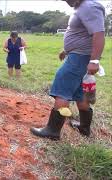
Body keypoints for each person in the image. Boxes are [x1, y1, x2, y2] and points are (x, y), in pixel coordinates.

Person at [30, 0, 105, 140]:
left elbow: (99, 34)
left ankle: (52, 131)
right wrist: (67, 49)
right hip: (77, 55)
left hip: (80, 57)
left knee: (62, 86)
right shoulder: (82, 7)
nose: (66, 1)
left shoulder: (89, 6)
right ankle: (84, 127)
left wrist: (95, 61)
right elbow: (81, 33)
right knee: (79, 92)